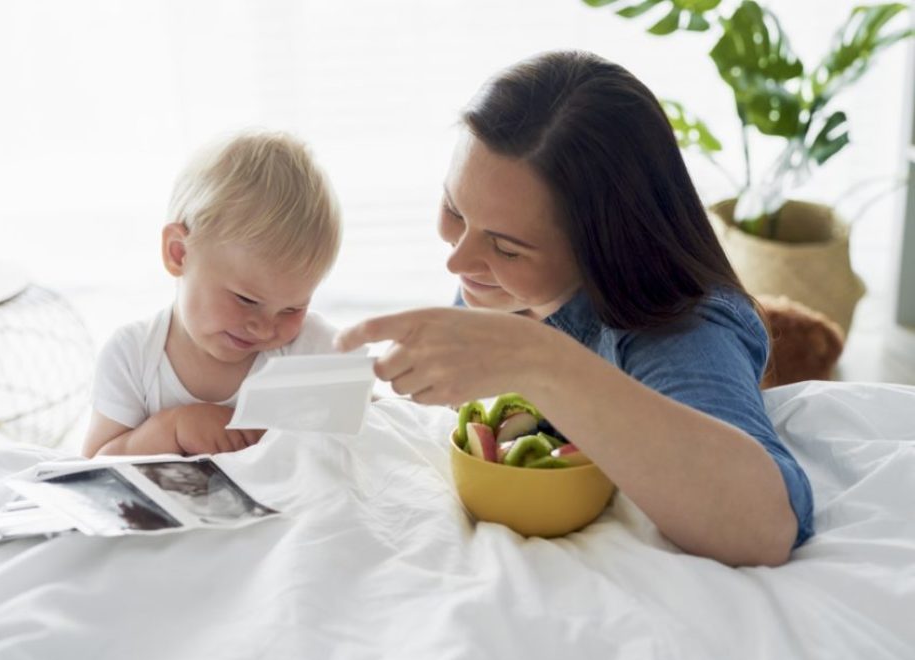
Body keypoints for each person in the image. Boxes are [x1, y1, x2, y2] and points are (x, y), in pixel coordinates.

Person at [335, 50, 813, 567]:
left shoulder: (680, 335)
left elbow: (766, 527)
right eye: (454, 208)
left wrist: (539, 360)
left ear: (603, 245)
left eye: (507, 247)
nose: (457, 259)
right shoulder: (498, 284)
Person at [83, 130, 343, 458]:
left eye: (292, 308)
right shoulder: (132, 358)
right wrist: (171, 429)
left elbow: (376, 430)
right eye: (246, 300)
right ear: (179, 253)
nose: (265, 328)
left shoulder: (310, 352)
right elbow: (93, 466)